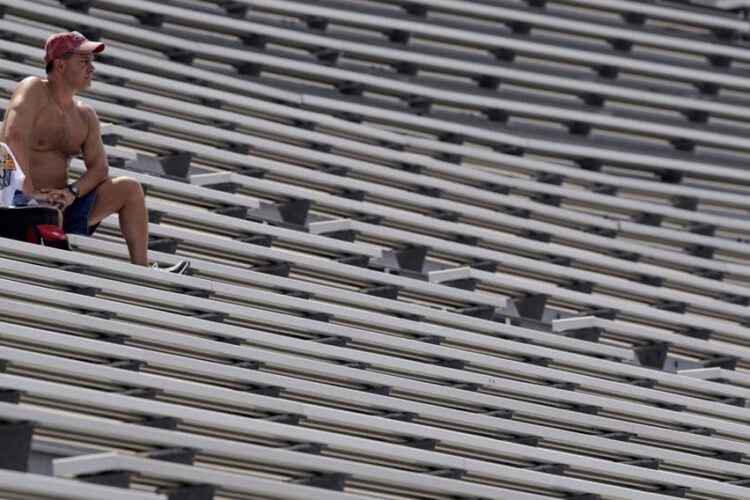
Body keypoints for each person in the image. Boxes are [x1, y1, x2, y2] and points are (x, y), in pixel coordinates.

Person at [0, 31, 188, 274]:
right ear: (59, 65)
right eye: (84, 62)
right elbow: (14, 135)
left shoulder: (85, 115)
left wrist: (70, 193)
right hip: (15, 203)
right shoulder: (34, 88)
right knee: (45, 212)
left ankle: (143, 271)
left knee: (129, 188)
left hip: (59, 207)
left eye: (92, 62)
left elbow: (100, 169)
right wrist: (28, 191)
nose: (92, 68)